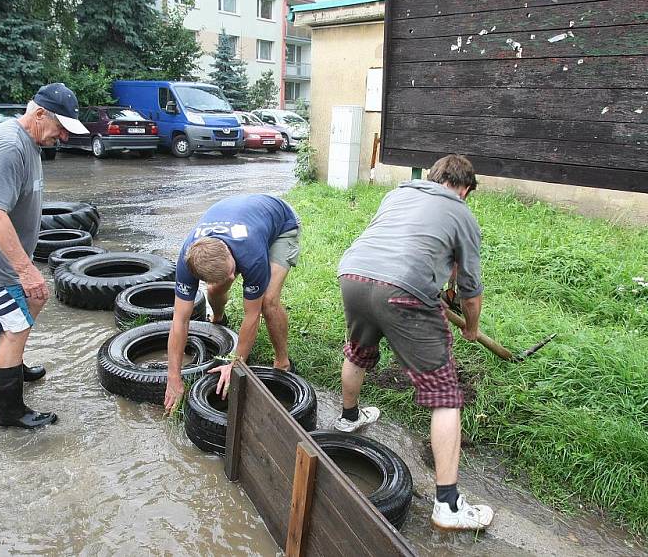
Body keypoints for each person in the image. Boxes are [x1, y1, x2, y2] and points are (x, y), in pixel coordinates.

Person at [336, 154, 494, 531]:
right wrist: (471, 327)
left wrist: (447, 285)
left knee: (358, 351)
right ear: (465, 189)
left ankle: (348, 419)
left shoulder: (397, 196)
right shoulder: (461, 213)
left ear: (431, 177)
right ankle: (448, 505)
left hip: (354, 274)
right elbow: (472, 291)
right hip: (404, 289)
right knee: (445, 394)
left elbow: (425, 249)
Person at [0, 83, 88, 429]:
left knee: (35, 300)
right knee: (16, 325)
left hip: (5, 257)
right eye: (61, 128)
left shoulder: (30, 142)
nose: (64, 137)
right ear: (40, 113)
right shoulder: (11, 146)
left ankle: (15, 365)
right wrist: (26, 270)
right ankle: (10, 412)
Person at [163, 194, 301, 413]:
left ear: (229, 253)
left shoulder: (252, 255)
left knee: (268, 301)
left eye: (232, 272)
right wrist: (173, 377)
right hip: (239, 217)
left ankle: (283, 362)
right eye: (229, 276)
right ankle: (218, 318)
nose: (232, 278)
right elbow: (179, 321)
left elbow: (251, 315)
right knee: (215, 290)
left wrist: (236, 362)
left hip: (281, 222)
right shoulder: (186, 259)